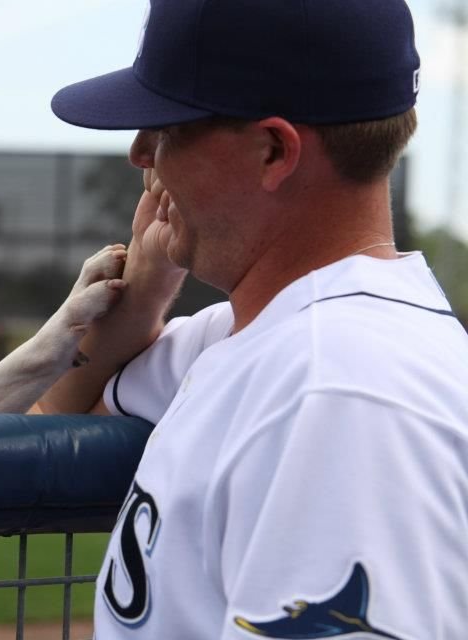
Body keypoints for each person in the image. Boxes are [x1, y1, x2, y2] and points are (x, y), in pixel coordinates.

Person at [38, 0, 468, 638]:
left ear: (272, 151)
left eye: (167, 127)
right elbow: (60, 413)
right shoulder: (257, 332)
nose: (140, 153)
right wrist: (145, 293)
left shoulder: (341, 392)